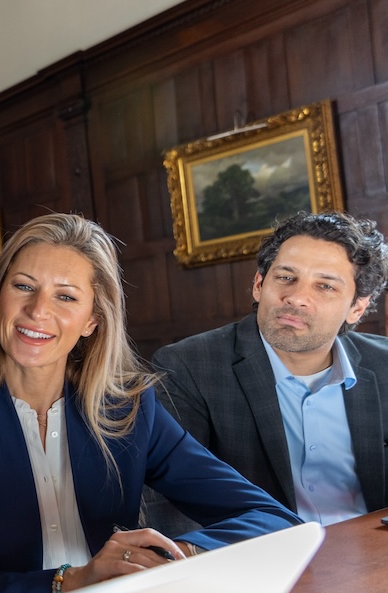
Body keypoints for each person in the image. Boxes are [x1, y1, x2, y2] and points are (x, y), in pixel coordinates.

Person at [0, 213, 301, 593]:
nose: (37, 310)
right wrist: (73, 582)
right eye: (23, 286)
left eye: (66, 297)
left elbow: (274, 520)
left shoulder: (130, 409)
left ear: (92, 321)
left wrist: (170, 556)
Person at [151, 211, 388, 531]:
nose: (297, 298)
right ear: (259, 284)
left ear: (357, 307)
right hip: (260, 561)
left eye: (325, 286)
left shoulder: (383, 365)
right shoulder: (188, 367)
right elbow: (169, 499)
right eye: (286, 277)